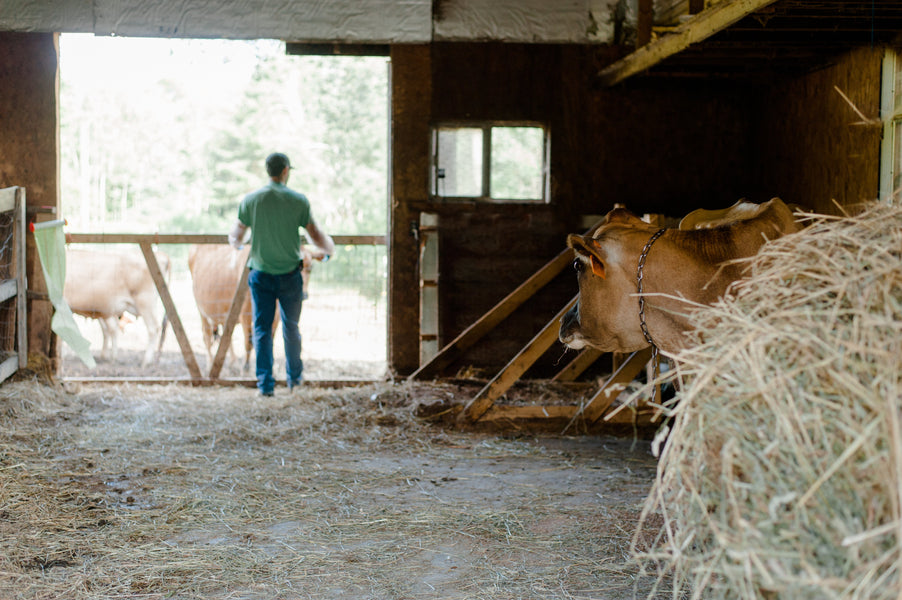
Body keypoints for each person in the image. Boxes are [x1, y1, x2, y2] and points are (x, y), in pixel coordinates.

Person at [229, 152, 334, 397]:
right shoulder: (298, 201)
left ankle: (265, 386)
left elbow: (236, 235)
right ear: (286, 171)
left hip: (261, 273)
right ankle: (294, 381)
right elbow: (315, 235)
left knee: (262, 329)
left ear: (269, 170)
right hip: (290, 275)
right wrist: (329, 249)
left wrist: (239, 244)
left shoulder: (251, 200)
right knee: (291, 327)